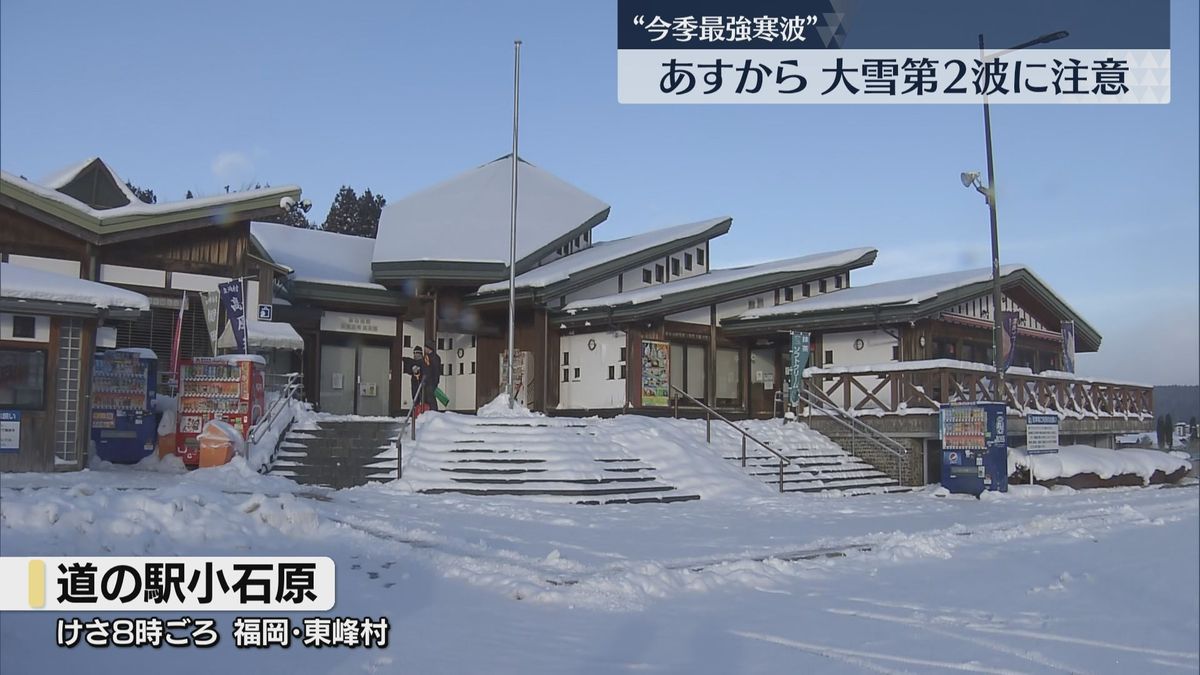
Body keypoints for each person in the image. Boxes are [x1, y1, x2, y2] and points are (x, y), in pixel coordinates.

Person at [401, 346, 427, 415]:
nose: (415, 355)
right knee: (415, 399)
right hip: (414, 384)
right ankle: (416, 413)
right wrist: (412, 370)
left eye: (417, 353)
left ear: (420, 354)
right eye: (414, 353)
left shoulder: (424, 362)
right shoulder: (412, 362)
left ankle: (423, 413)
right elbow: (408, 368)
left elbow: (426, 372)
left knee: (423, 399)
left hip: (423, 384)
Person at [422, 341, 443, 411]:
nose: (424, 349)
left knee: (431, 398)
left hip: (431, 382)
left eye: (425, 347)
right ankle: (428, 412)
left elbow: (436, 370)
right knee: (426, 398)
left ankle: (434, 412)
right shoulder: (426, 357)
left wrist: (435, 381)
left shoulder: (435, 357)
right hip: (426, 381)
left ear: (428, 348)